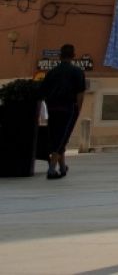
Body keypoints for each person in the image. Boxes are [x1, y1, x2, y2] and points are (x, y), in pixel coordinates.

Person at [39, 44, 85, 180]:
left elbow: (43, 92)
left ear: (60, 56)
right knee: (62, 138)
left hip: (53, 107)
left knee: (56, 136)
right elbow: (80, 93)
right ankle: (52, 170)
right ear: (73, 55)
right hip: (68, 108)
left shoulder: (52, 72)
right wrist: (78, 109)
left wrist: (49, 105)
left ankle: (63, 167)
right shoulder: (77, 72)